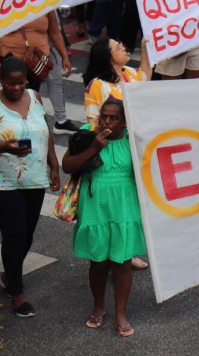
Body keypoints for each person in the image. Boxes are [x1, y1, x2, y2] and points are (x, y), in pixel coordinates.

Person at [0, 57, 60, 317]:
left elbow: (47, 133)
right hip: (4, 181)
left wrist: (54, 167)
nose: (17, 88)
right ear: (2, 81)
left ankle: (11, 274)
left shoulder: (35, 97)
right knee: (15, 234)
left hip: (34, 177)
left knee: (28, 232)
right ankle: (17, 292)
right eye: (11, 84)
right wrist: (4, 147)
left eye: (21, 83)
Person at [62, 98, 145, 336]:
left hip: (124, 208)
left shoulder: (132, 138)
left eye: (114, 118)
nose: (107, 122)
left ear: (125, 121)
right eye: (104, 116)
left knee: (122, 262)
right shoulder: (87, 134)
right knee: (98, 262)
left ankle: (121, 313)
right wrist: (93, 148)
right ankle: (98, 307)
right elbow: (67, 165)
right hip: (95, 206)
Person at [82, 38, 151, 125]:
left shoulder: (127, 71)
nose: (123, 48)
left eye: (121, 45)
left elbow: (145, 75)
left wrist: (144, 48)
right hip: (114, 137)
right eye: (118, 48)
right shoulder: (96, 85)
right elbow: (93, 122)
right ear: (109, 58)